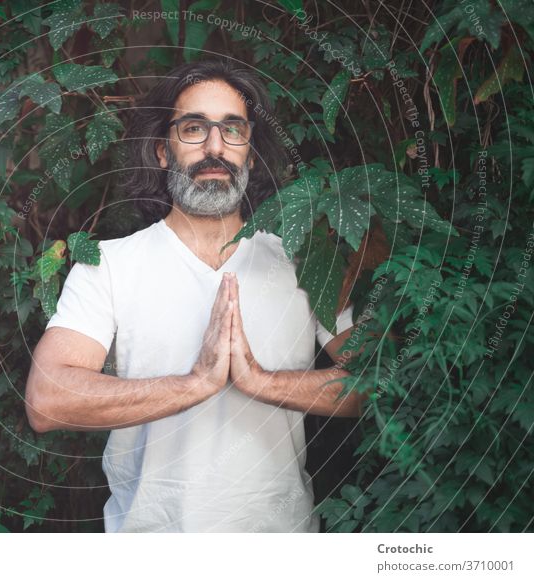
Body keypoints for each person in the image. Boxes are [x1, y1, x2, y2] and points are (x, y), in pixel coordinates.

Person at [24, 59, 366, 533]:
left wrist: (260, 381)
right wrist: (196, 384)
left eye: (233, 130)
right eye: (192, 129)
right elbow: (46, 400)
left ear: (250, 151)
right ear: (163, 151)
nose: (214, 148)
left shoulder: (308, 259)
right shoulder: (108, 266)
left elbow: (379, 384)